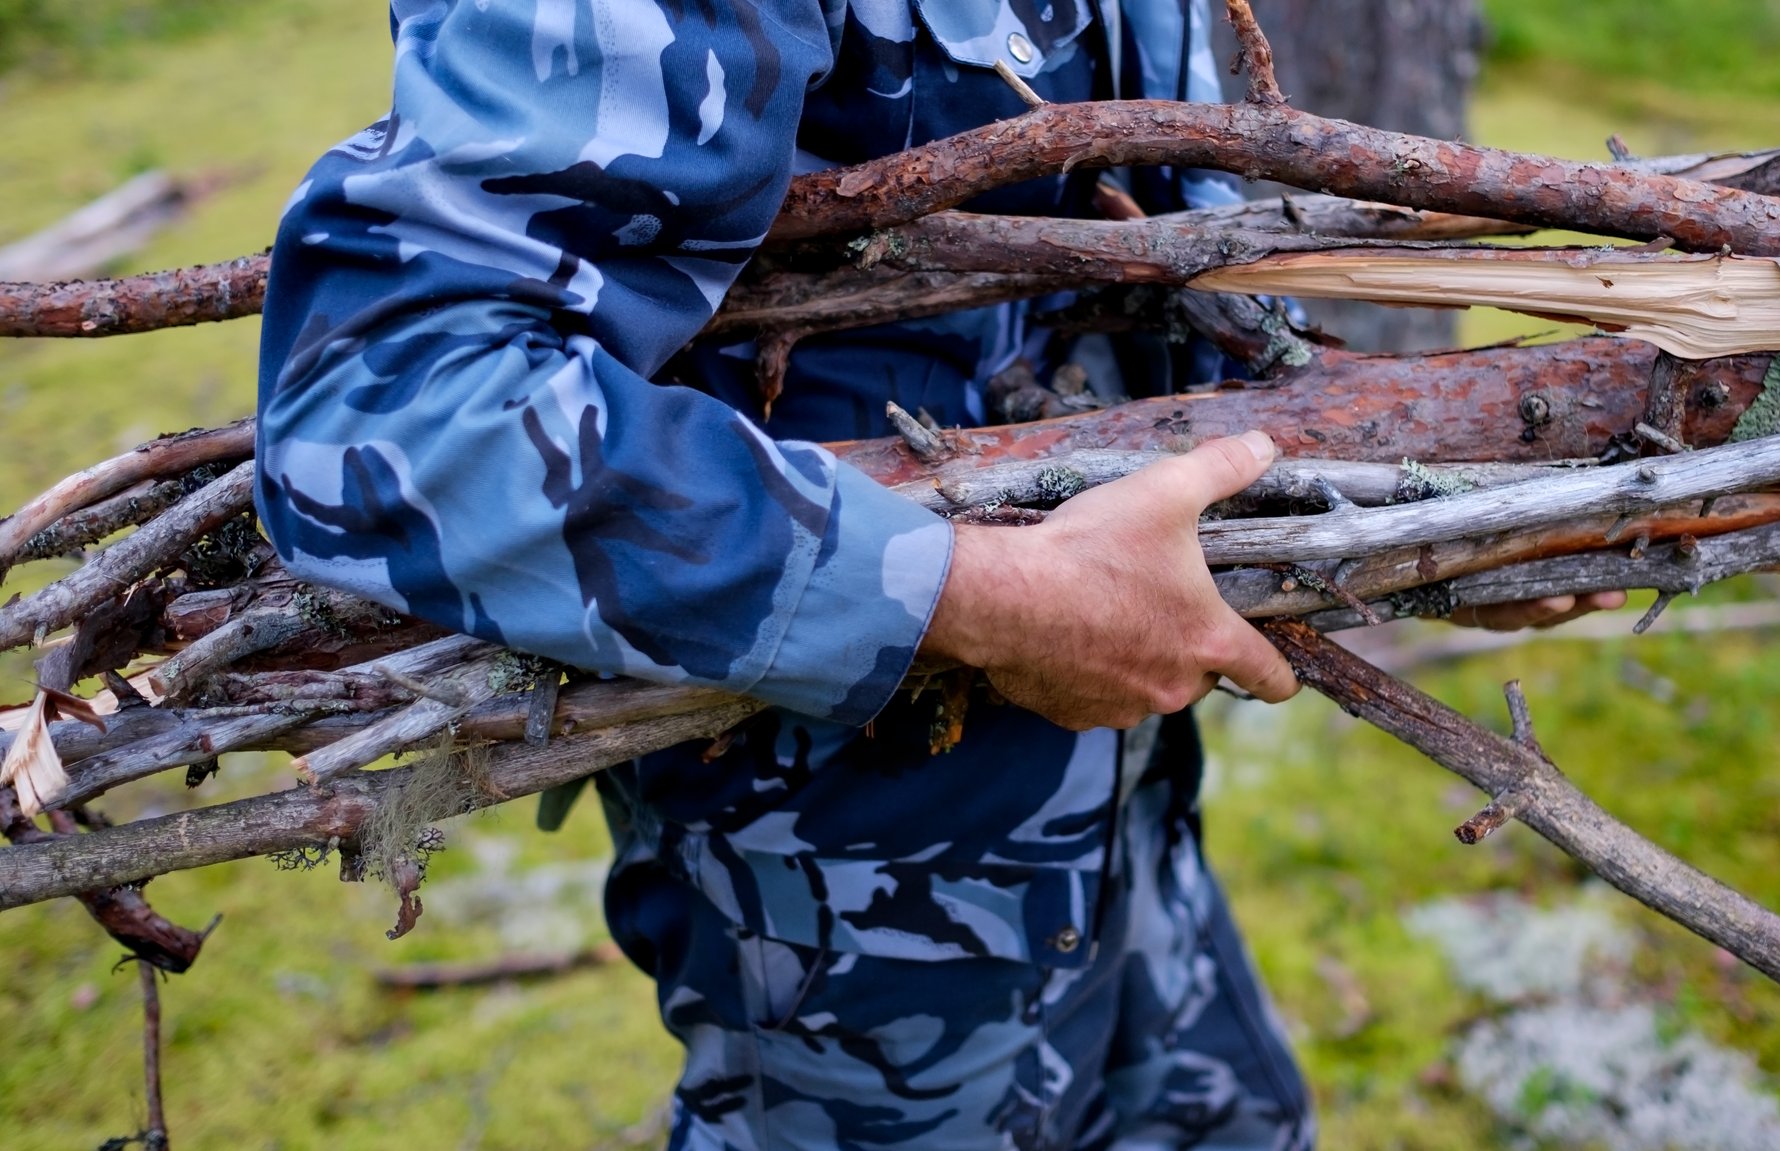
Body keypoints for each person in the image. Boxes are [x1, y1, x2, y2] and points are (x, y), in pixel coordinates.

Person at [255, 2, 1619, 1146]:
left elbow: (1157, 298)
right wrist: (976, 597)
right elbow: (395, 402)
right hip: (847, 895)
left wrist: (1416, 529)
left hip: (1130, 828)